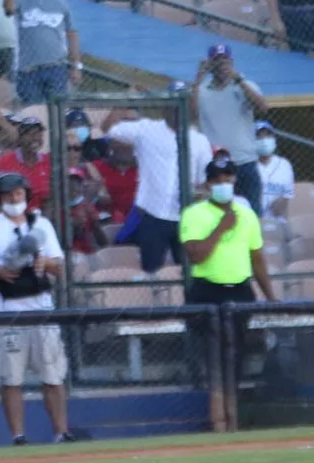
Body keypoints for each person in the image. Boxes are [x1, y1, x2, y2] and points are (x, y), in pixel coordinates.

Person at [0, 174, 71, 445]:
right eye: (8, 195)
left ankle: (61, 431)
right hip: (7, 308)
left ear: (26, 195)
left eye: (18, 194)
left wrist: (44, 263)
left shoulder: (42, 225)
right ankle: (18, 435)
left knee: (53, 374)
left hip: (42, 306)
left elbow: (60, 268)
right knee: (11, 377)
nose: (14, 199)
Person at [103, 94, 212, 272]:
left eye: (180, 105)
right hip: (152, 215)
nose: (176, 110)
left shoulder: (200, 140)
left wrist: (197, 195)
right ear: (164, 106)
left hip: (185, 216)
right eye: (172, 105)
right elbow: (108, 129)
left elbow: (204, 182)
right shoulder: (147, 129)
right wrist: (125, 101)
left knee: (188, 273)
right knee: (152, 271)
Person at [180, 155, 277, 307]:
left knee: (242, 331)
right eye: (217, 182)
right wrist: (221, 228)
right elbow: (195, 256)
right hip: (207, 292)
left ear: (234, 181)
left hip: (241, 291)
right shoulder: (193, 214)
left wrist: (270, 297)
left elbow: (257, 258)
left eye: (227, 180)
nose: (223, 185)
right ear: (207, 185)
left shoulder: (247, 214)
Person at [191, 45, 269, 214]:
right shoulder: (202, 90)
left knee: (252, 213)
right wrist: (198, 80)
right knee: (218, 213)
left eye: (225, 62)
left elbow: (262, 107)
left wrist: (238, 80)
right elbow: (192, 114)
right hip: (217, 163)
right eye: (217, 62)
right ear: (210, 65)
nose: (221, 66)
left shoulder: (243, 85)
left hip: (244, 161)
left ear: (231, 62)